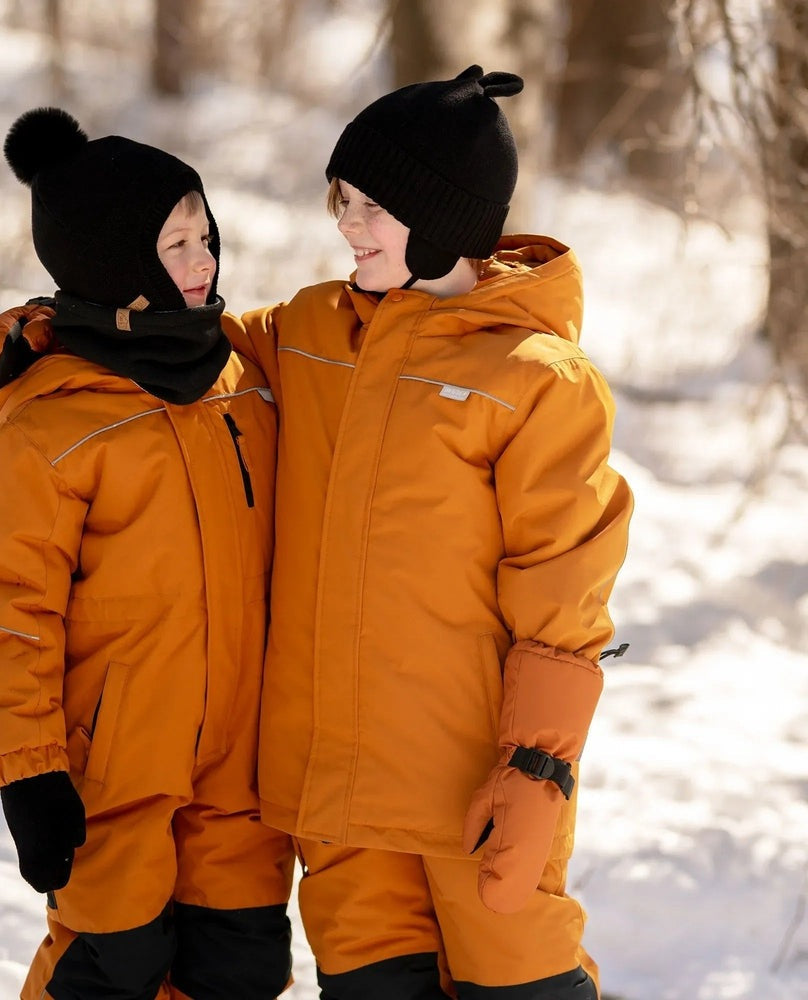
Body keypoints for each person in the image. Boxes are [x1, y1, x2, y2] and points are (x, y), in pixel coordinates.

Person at [223, 66, 634, 999]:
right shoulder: (307, 331)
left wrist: (536, 767)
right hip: (337, 795)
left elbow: (562, 590)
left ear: (445, 219)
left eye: (375, 206)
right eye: (343, 200)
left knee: (521, 982)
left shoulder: (536, 378)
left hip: (473, 794)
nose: (348, 226)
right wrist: (71, 329)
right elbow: (179, 358)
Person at [0, 107, 293, 1000]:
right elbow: (7, 607)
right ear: (114, 263)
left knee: (242, 965)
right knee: (116, 967)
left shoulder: (244, 382)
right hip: (112, 767)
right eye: (174, 244)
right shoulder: (55, 427)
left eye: (204, 234)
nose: (203, 261)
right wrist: (27, 773)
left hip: (241, 774)